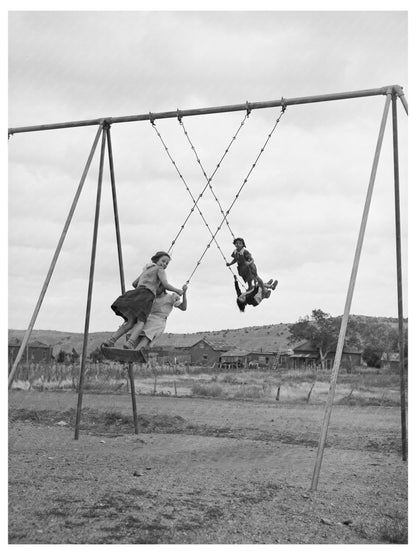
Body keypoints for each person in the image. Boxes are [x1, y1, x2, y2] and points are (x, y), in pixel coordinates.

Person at [101, 251, 183, 349]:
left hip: (136, 294)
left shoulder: (146, 270)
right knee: (141, 322)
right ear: (156, 260)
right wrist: (176, 290)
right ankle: (130, 343)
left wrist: (147, 281)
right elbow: (165, 284)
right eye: (163, 261)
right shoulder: (160, 270)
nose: (164, 264)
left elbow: (134, 283)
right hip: (146, 296)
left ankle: (111, 340)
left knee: (130, 321)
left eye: (167, 263)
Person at [126, 284, 188, 351]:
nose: (155, 290)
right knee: (132, 333)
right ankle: (129, 353)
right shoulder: (151, 297)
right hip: (147, 319)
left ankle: (137, 352)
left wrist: (184, 292)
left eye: (157, 288)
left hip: (158, 321)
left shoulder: (171, 297)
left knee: (147, 335)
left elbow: (183, 307)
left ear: (163, 288)